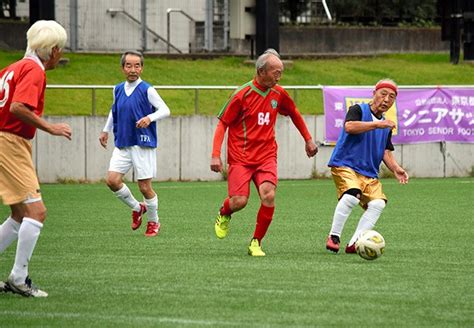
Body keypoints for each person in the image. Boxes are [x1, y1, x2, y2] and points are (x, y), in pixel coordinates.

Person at [210, 49, 318, 256]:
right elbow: (223, 124)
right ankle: (225, 212)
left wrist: (308, 139)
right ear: (261, 71)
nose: (279, 76)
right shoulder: (242, 95)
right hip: (241, 157)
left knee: (268, 196)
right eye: (276, 72)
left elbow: (294, 113)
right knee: (239, 201)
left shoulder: (279, 93)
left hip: (267, 156)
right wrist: (215, 154)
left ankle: (256, 243)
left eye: (281, 72)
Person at [0, 20, 71, 297]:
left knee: (19, 214)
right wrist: (51, 127)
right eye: (60, 49)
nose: (60, 55)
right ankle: (19, 277)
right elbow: (18, 107)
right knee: (36, 212)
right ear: (52, 49)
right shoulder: (34, 70)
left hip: (7, 140)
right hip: (11, 142)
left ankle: (18, 276)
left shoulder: (12, 67)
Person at [325, 78, 409, 254]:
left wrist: (396, 168)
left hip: (369, 173)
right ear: (374, 94)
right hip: (345, 164)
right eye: (383, 94)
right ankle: (334, 236)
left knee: (378, 203)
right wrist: (378, 124)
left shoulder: (386, 125)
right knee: (352, 196)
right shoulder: (358, 110)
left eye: (391, 97)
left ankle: (356, 242)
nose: (386, 99)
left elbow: (386, 151)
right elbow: (349, 127)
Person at [99, 50, 170, 237]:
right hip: (122, 142)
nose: (133, 69)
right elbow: (114, 110)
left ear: (142, 68)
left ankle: (154, 222)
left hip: (142, 143)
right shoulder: (117, 89)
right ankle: (137, 207)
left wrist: (149, 117)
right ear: (123, 68)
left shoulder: (147, 89)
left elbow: (165, 110)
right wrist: (105, 130)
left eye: (137, 65)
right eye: (129, 65)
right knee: (112, 180)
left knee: (144, 187)